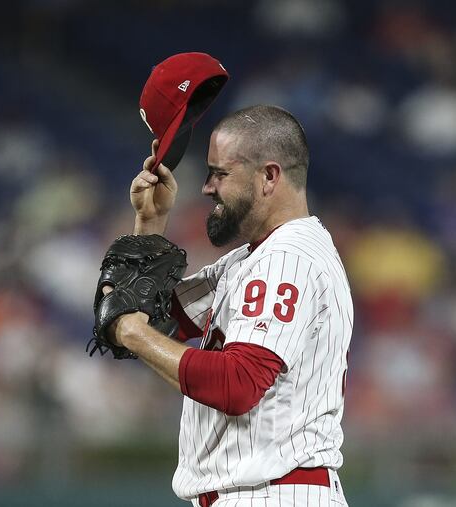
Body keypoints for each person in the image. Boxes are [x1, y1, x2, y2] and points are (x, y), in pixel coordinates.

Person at [107, 105, 353, 507]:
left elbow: (237, 384)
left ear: (268, 177)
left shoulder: (287, 259)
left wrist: (132, 333)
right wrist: (150, 224)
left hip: (273, 494)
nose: (207, 187)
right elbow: (149, 317)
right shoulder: (251, 260)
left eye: (221, 173)